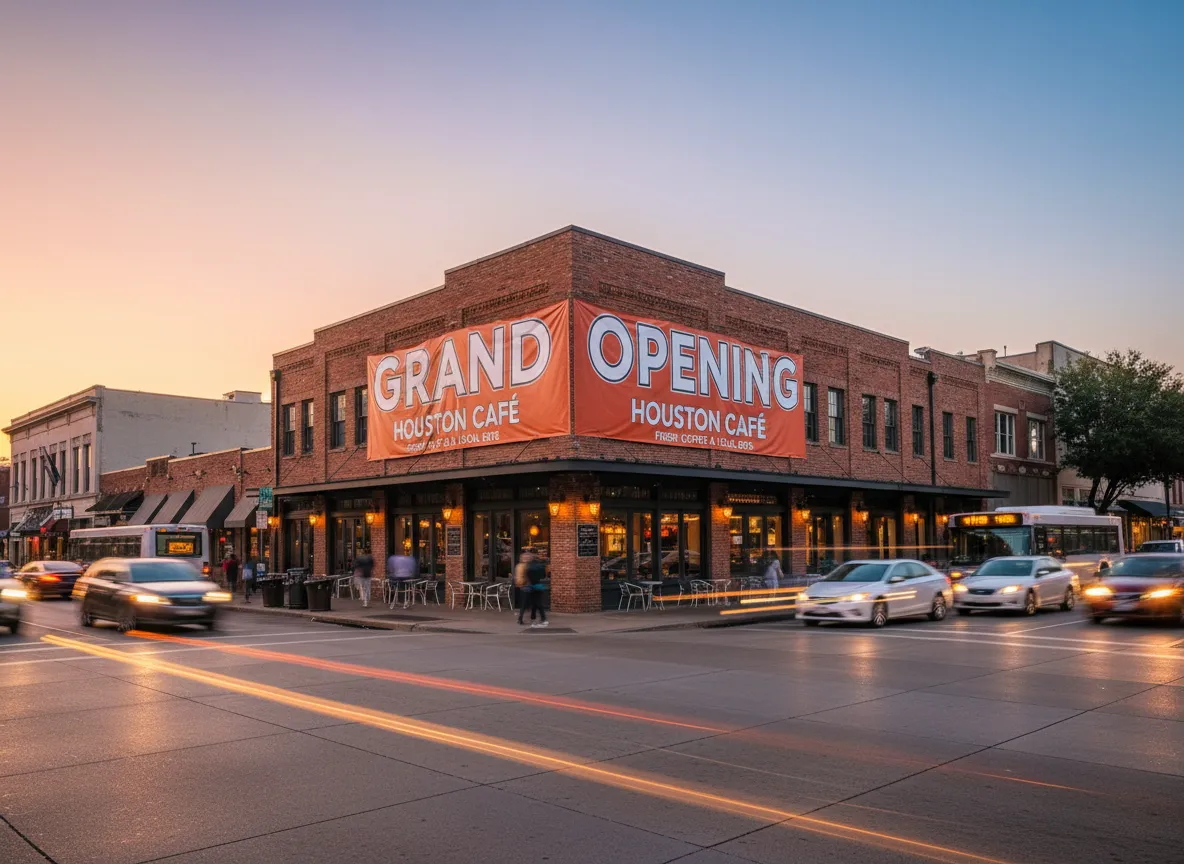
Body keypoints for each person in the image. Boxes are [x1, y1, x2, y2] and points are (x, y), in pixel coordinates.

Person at [519, 550, 548, 628]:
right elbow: (544, 575)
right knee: (538, 603)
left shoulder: (527, 566)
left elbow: (525, 575)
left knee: (525, 604)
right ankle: (541, 617)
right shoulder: (540, 565)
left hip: (528, 586)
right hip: (537, 586)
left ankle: (521, 618)